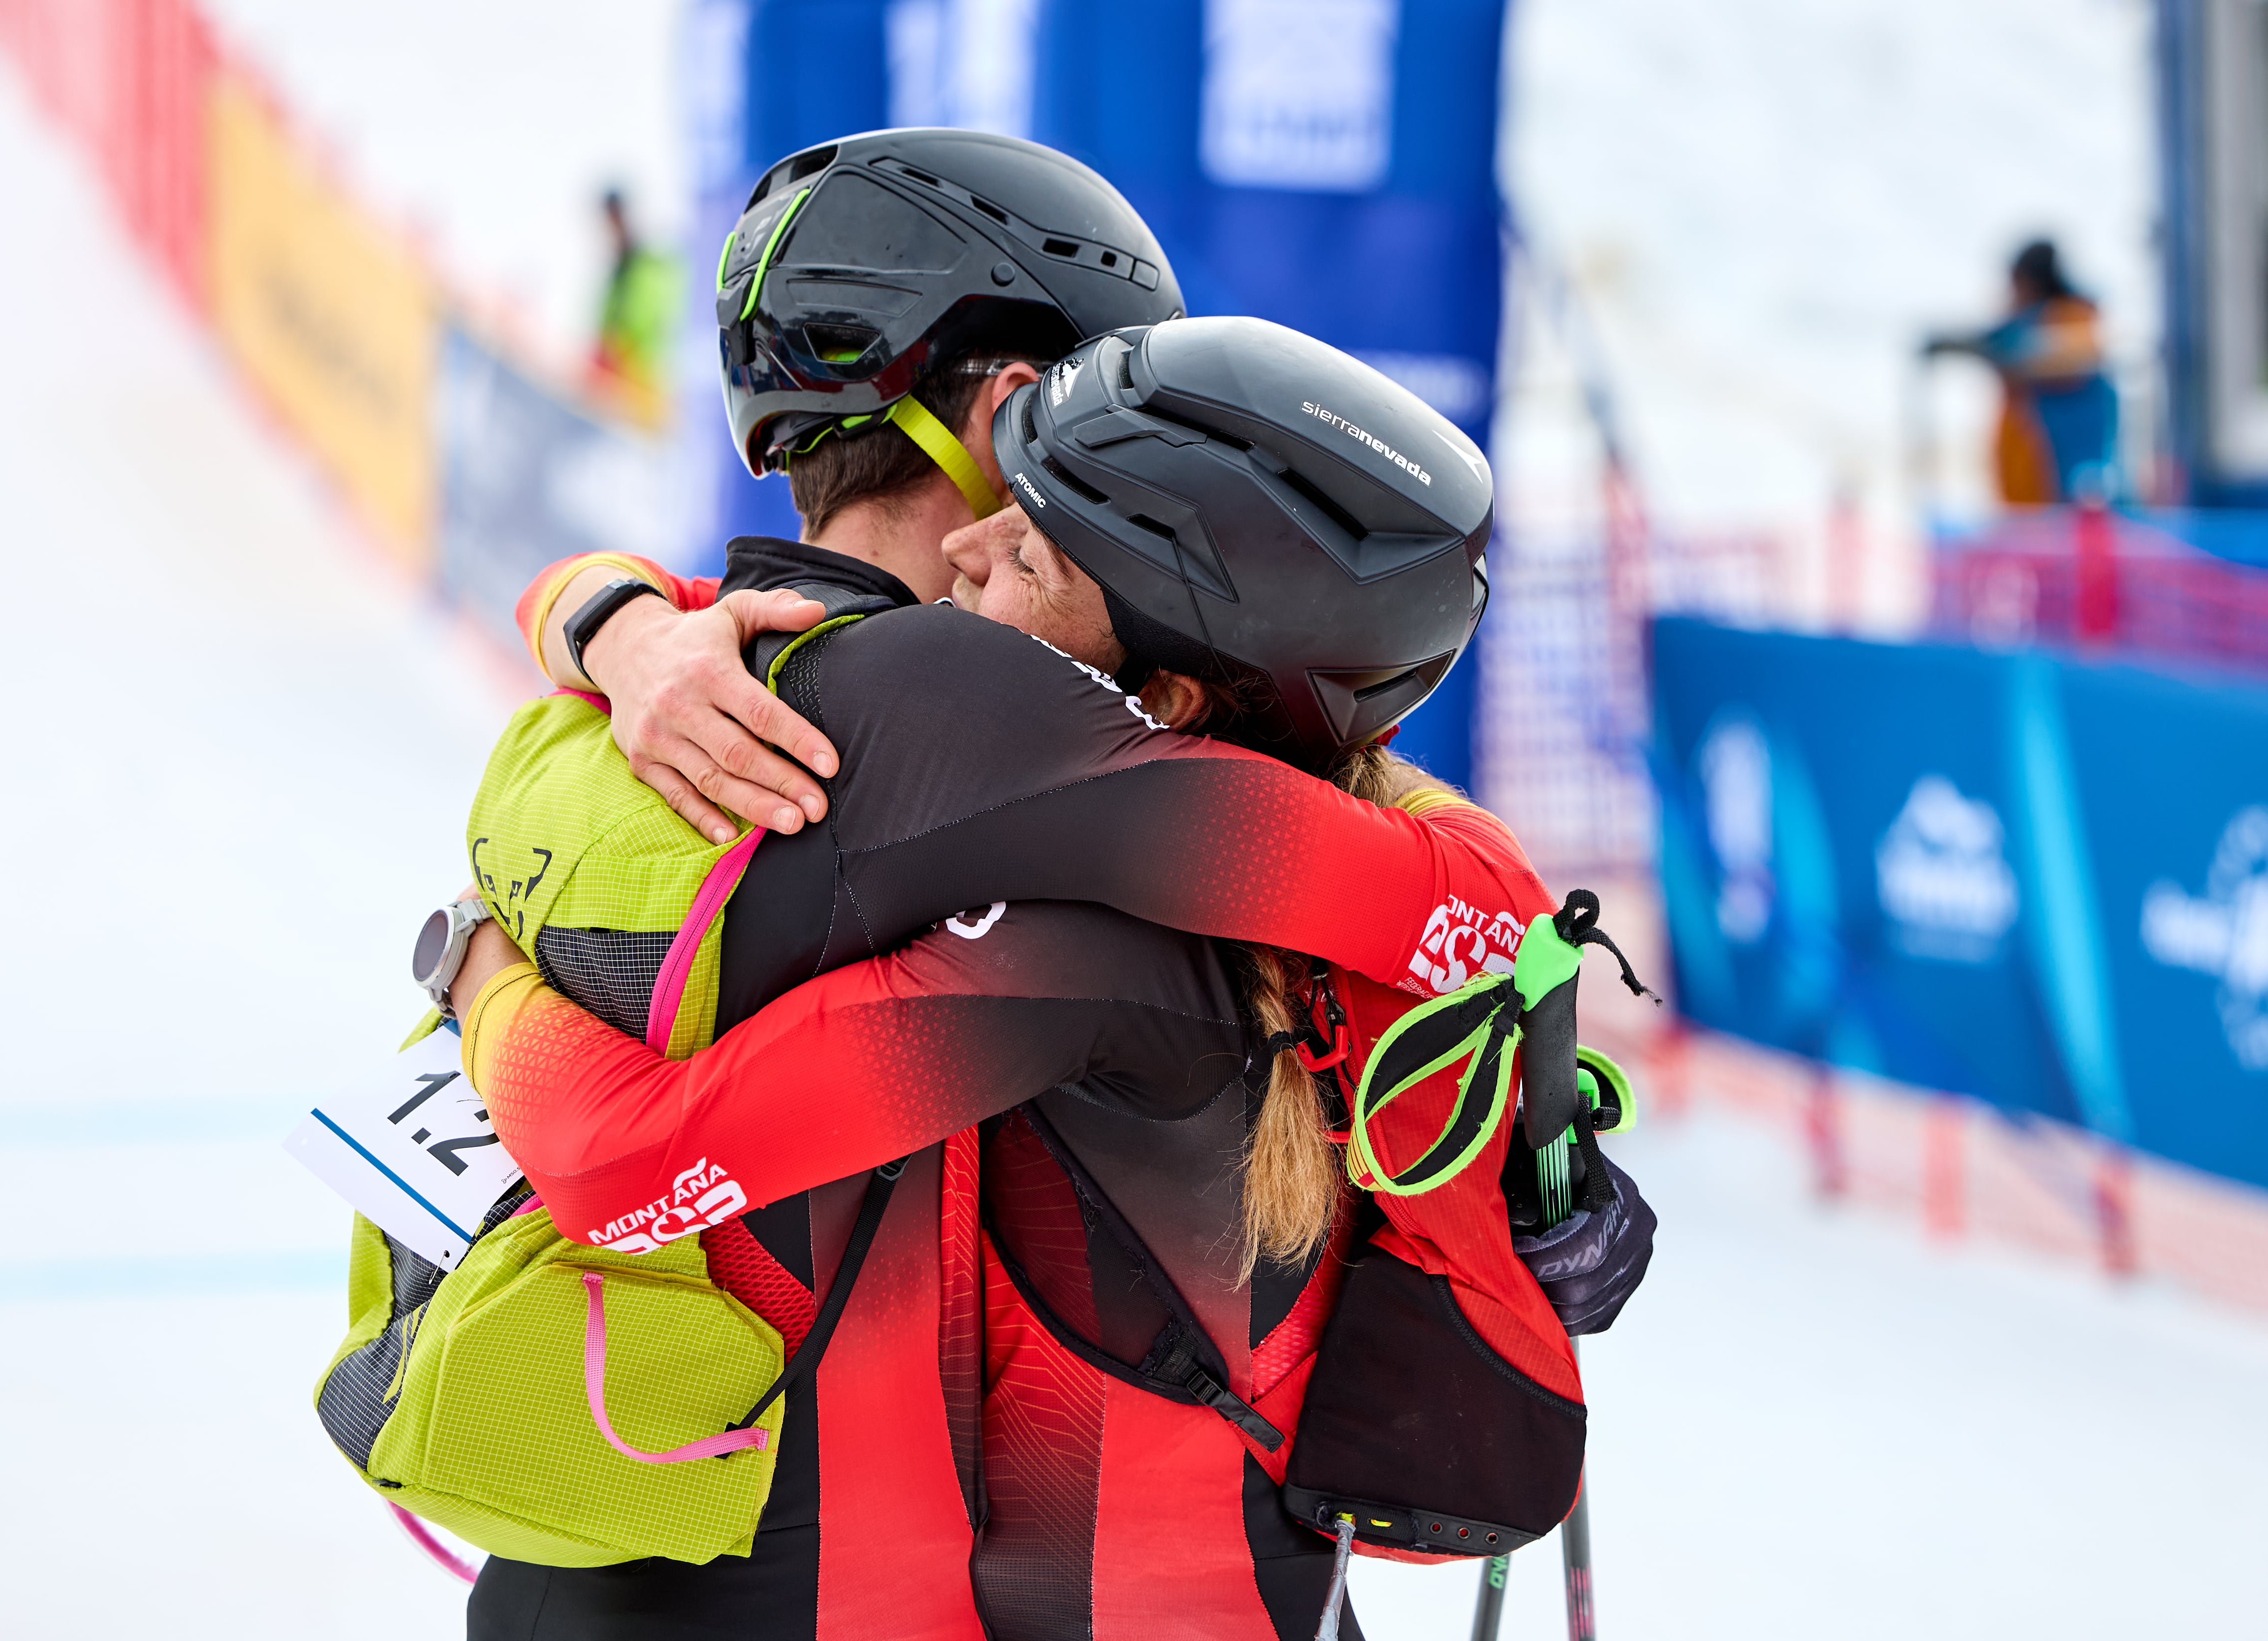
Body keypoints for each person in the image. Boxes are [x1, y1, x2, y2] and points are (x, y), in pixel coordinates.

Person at [453, 319, 1653, 1638]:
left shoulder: (1082, 944)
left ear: (1167, 701)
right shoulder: (1340, 822)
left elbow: (624, 1166)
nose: (965, 548)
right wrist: (617, 619)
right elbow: (1488, 912)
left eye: (1027, 551)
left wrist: (476, 965)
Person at [1926, 238, 2118, 505]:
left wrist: (2005, 356)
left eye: (2016, 284)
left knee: (2072, 510)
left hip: (2066, 467)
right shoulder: (2021, 324)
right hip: (2031, 474)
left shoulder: (2074, 318)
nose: (2012, 293)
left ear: (2031, 282)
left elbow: (2065, 358)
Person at [585, 187, 681, 429]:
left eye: (614, 219)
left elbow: (650, 325)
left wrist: (615, 351)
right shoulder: (617, 273)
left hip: (644, 394)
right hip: (616, 395)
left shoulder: (650, 269)